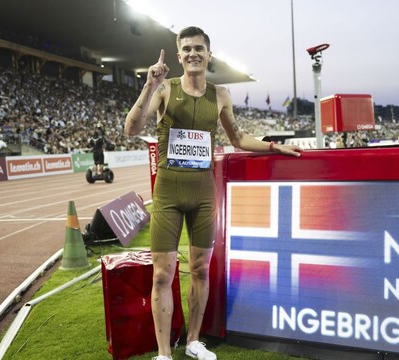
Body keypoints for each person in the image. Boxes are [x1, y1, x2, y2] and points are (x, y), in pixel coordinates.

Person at [124, 26, 302, 360]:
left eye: (199, 49)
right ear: (179, 56)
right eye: (186, 49)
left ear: (208, 54)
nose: (193, 54)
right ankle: (164, 354)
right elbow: (131, 128)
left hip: (204, 193)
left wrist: (276, 147)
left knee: (201, 268)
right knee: (162, 272)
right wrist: (149, 85)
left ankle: (193, 341)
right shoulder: (163, 89)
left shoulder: (220, 95)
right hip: (168, 193)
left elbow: (237, 139)